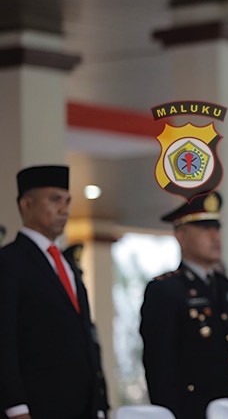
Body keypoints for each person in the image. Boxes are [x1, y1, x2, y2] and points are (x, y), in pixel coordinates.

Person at [0, 165, 109, 418]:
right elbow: (4, 340)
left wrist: (99, 404)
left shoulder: (68, 266)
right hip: (37, 407)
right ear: (26, 205)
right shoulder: (9, 262)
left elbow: (85, 337)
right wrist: (16, 406)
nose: (64, 209)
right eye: (54, 199)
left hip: (82, 408)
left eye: (67, 201)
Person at [140, 192, 228, 418]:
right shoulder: (166, 290)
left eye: (217, 228)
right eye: (205, 228)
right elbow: (161, 367)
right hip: (194, 410)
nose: (215, 236)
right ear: (181, 236)